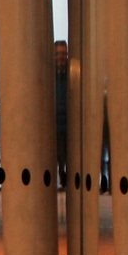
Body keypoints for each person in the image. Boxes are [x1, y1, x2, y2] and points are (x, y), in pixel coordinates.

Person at [54, 41, 70, 178]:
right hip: (56, 121)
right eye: (58, 54)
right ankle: (61, 174)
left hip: (69, 121)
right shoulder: (49, 76)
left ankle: (64, 176)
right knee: (59, 153)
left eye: (63, 54)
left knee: (67, 153)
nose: (61, 57)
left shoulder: (72, 75)